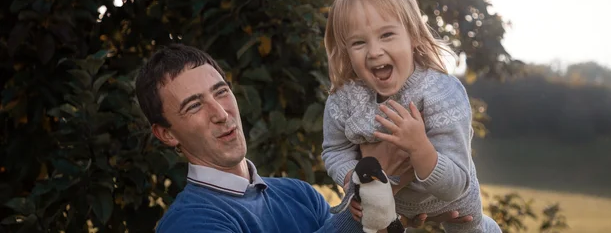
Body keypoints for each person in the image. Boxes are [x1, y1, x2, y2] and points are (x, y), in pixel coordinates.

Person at [135, 43, 473, 233]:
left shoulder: (297, 194)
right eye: (194, 106)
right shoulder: (190, 223)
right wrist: (378, 180)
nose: (221, 113)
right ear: (166, 133)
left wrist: (396, 212)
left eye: (220, 92)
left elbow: (348, 229)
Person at [321, 0, 501, 233]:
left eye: (387, 35)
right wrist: (353, 184)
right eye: (358, 43)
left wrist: (420, 148)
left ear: (413, 35)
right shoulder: (344, 99)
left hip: (452, 203)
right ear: (346, 51)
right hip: (392, 206)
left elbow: (455, 184)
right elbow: (334, 151)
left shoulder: (441, 92)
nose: (374, 51)